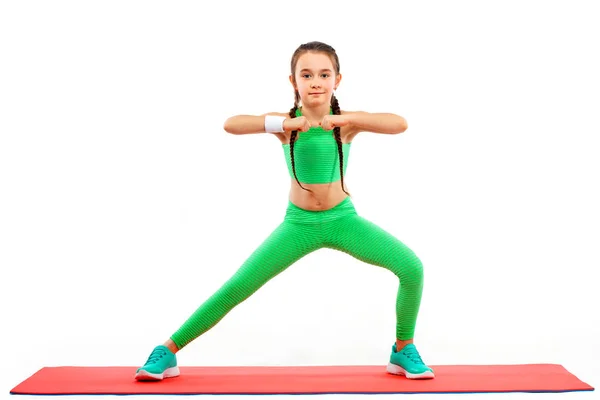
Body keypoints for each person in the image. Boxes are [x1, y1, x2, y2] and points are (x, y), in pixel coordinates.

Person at [135, 41, 434, 381]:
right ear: (294, 82)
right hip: (299, 225)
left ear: (338, 79)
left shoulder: (345, 125)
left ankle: (402, 348)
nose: (316, 81)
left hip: (343, 220)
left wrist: (348, 118)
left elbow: (400, 124)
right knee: (238, 287)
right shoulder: (286, 124)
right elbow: (232, 124)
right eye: (306, 75)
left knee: (411, 267)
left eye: (324, 74)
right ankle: (168, 351)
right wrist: (280, 126)